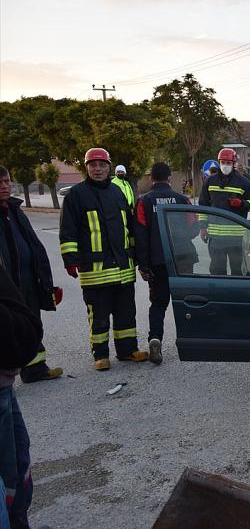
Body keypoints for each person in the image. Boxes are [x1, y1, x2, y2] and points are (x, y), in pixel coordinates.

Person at [60, 147, 148, 371]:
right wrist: (70, 259)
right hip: (94, 270)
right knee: (98, 316)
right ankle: (100, 355)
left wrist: (138, 255)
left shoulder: (117, 192)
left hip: (123, 267)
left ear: (109, 167)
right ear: (86, 168)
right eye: (92, 165)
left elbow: (129, 228)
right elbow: (68, 230)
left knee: (126, 313)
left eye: (101, 165)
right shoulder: (76, 196)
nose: (97, 169)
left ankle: (128, 350)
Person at [0, 167, 63, 383]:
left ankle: (35, 369)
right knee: (9, 328)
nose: (5, 186)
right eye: (0, 183)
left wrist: (44, 279)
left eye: (7, 181)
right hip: (7, 283)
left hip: (27, 278)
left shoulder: (15, 210)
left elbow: (32, 245)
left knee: (31, 322)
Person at [135, 162, 197, 365]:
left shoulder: (144, 202)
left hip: (158, 261)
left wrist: (143, 265)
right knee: (186, 301)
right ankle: (192, 340)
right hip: (183, 258)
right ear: (169, 178)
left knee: (158, 303)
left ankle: (155, 338)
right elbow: (194, 228)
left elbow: (141, 235)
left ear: (151, 179)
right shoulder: (182, 200)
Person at [0, 263, 42, 529]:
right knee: (6, 475)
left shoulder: (11, 219)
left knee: (17, 461)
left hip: (5, 380)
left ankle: (19, 523)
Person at [198, 148, 250, 276]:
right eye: (223, 162)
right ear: (219, 162)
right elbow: (203, 206)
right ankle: (220, 295)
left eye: (228, 163)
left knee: (238, 271)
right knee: (217, 271)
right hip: (215, 237)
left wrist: (242, 204)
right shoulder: (209, 181)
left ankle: (236, 295)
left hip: (236, 237)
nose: (225, 165)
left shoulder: (244, 182)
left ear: (234, 163)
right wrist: (203, 228)